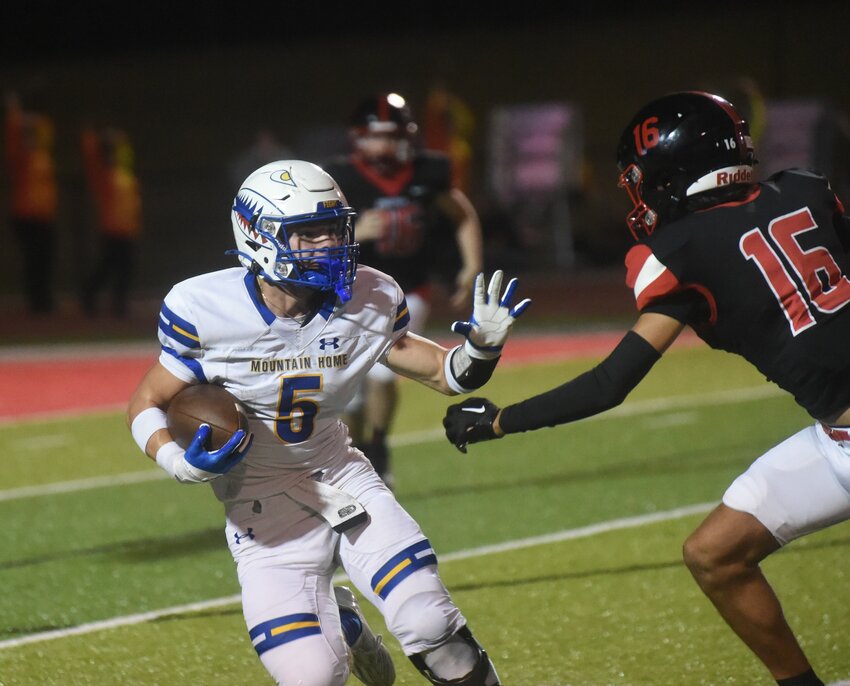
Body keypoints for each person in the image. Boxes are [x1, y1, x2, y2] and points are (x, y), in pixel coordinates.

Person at [443, 91, 850, 686]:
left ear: (668, 171)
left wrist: (497, 420)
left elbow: (611, 384)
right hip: (837, 434)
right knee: (714, 553)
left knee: (715, 556)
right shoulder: (807, 189)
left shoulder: (683, 253)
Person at [127, 160, 529, 686]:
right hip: (259, 503)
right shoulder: (205, 308)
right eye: (307, 234)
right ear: (256, 234)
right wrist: (179, 462)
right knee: (311, 678)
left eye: (333, 229)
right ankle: (346, 625)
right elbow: (145, 403)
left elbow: (443, 373)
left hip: (341, 476)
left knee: (431, 624)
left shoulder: (371, 294)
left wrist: (481, 349)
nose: (328, 245)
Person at [324, 92, 484, 487]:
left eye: (389, 136)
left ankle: (377, 444)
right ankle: (356, 447)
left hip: (408, 287)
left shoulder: (427, 171)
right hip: (349, 291)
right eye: (374, 136)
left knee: (382, 371)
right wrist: (358, 232)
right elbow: (316, 236)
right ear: (358, 139)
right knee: (349, 388)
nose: (382, 145)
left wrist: (472, 264)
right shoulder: (338, 179)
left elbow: (461, 212)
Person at [4, 90, 58, 314]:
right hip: (26, 216)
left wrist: (34, 119)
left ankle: (44, 300)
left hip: (44, 216)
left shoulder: (43, 155)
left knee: (46, 259)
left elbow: (45, 129)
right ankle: (37, 303)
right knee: (33, 260)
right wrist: (13, 111)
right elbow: (13, 134)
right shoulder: (20, 157)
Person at [80, 125, 142, 317]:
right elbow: (91, 156)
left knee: (122, 269)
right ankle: (93, 295)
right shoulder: (105, 176)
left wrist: (120, 139)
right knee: (109, 268)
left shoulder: (127, 176)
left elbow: (125, 152)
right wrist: (96, 139)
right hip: (112, 230)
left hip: (127, 230)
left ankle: (118, 304)